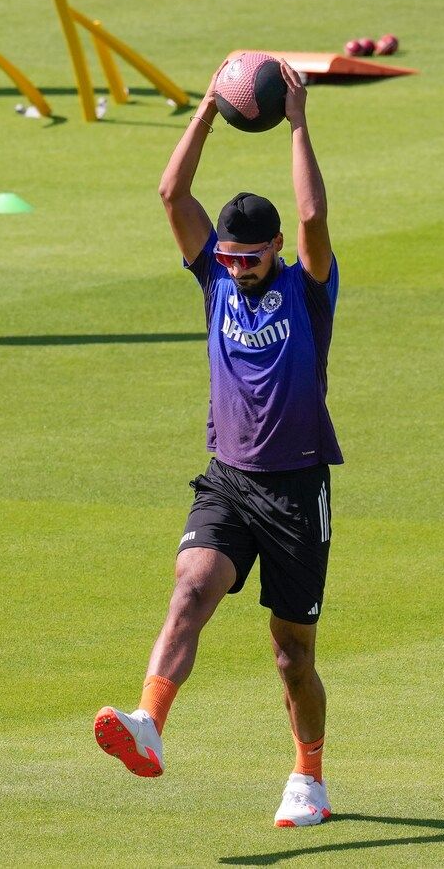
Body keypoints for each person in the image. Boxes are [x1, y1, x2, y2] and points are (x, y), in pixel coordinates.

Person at [94, 58, 343, 828]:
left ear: (274, 249)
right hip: (229, 479)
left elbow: (311, 218)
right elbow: (172, 194)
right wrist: (204, 107)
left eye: (247, 258)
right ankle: (148, 723)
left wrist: (297, 124)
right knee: (189, 592)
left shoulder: (307, 289)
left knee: (290, 654)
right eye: (227, 258)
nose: (234, 270)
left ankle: (308, 778)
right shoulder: (213, 280)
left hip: (296, 489)